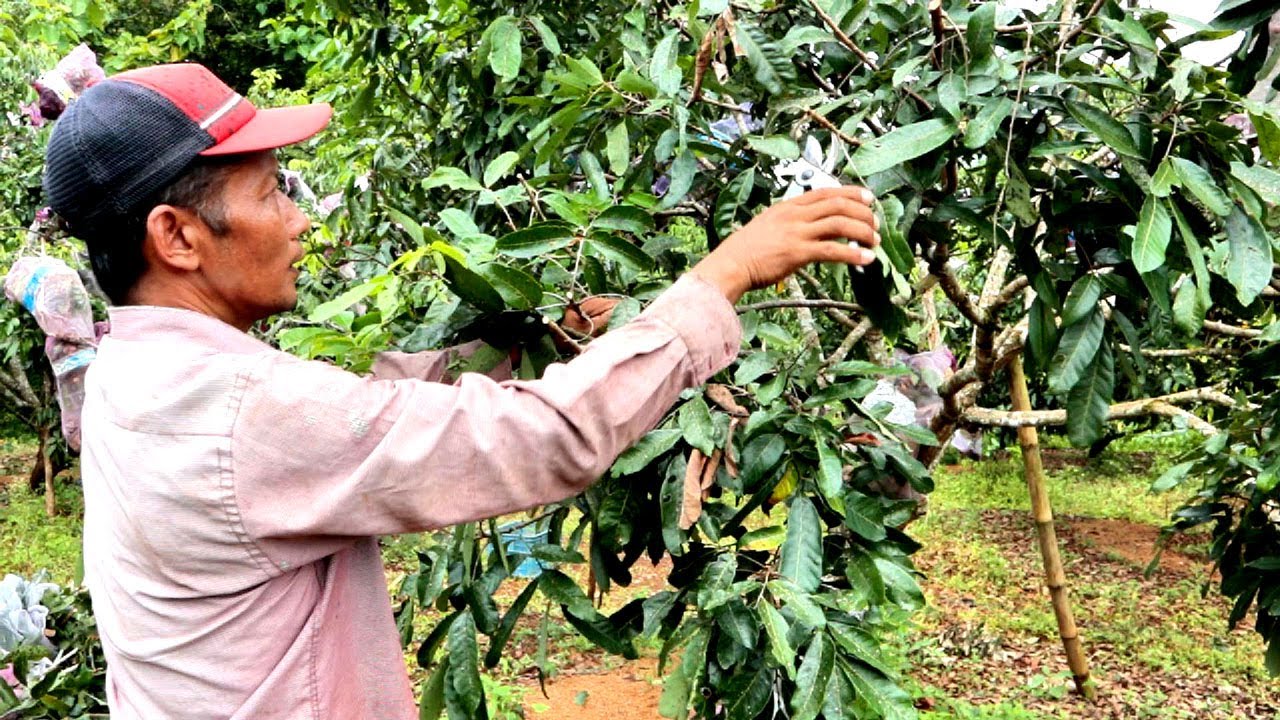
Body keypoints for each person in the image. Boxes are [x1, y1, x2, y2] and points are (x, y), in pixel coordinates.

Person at [40, 62, 882, 719]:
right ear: (178, 236)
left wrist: (517, 347)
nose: (299, 220)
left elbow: (356, 408)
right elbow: (545, 441)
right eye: (269, 192)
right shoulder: (241, 410)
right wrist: (725, 274)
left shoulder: (131, 369)